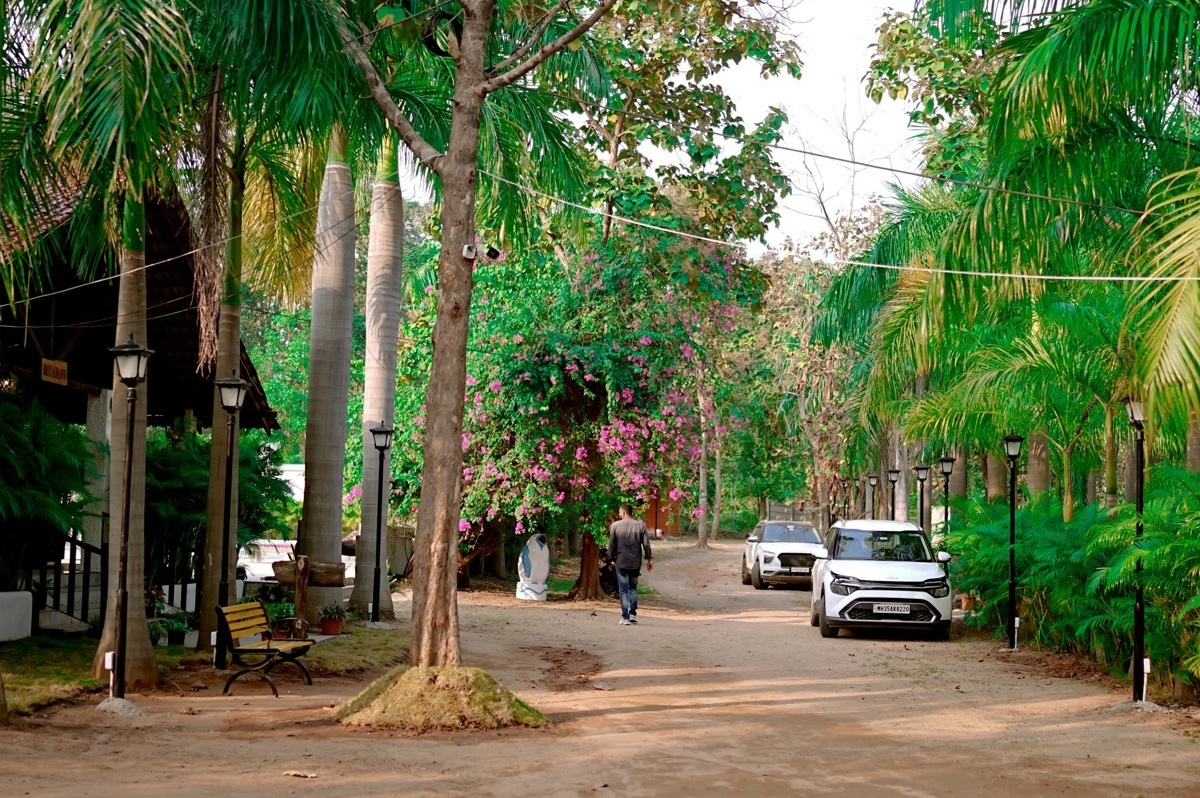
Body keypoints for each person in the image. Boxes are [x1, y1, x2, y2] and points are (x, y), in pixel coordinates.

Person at [607, 504, 652, 625]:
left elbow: (611, 545)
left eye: (619, 512)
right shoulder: (639, 525)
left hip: (621, 562)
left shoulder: (615, 526)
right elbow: (646, 544)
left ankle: (625, 617)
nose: (619, 514)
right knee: (633, 588)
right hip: (635, 562)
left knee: (623, 590)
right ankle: (632, 614)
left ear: (623, 513)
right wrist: (649, 559)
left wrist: (611, 558)